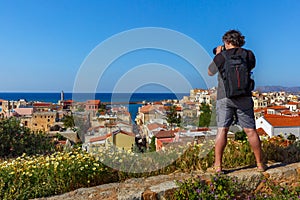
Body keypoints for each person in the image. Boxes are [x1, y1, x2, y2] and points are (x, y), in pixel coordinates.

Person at [208, 30, 267, 173]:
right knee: (251, 131)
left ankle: (218, 166)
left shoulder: (221, 56)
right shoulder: (248, 54)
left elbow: (210, 72)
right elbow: (251, 67)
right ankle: (260, 164)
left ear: (226, 41)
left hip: (224, 97)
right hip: (244, 96)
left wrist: (217, 55)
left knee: (222, 130)